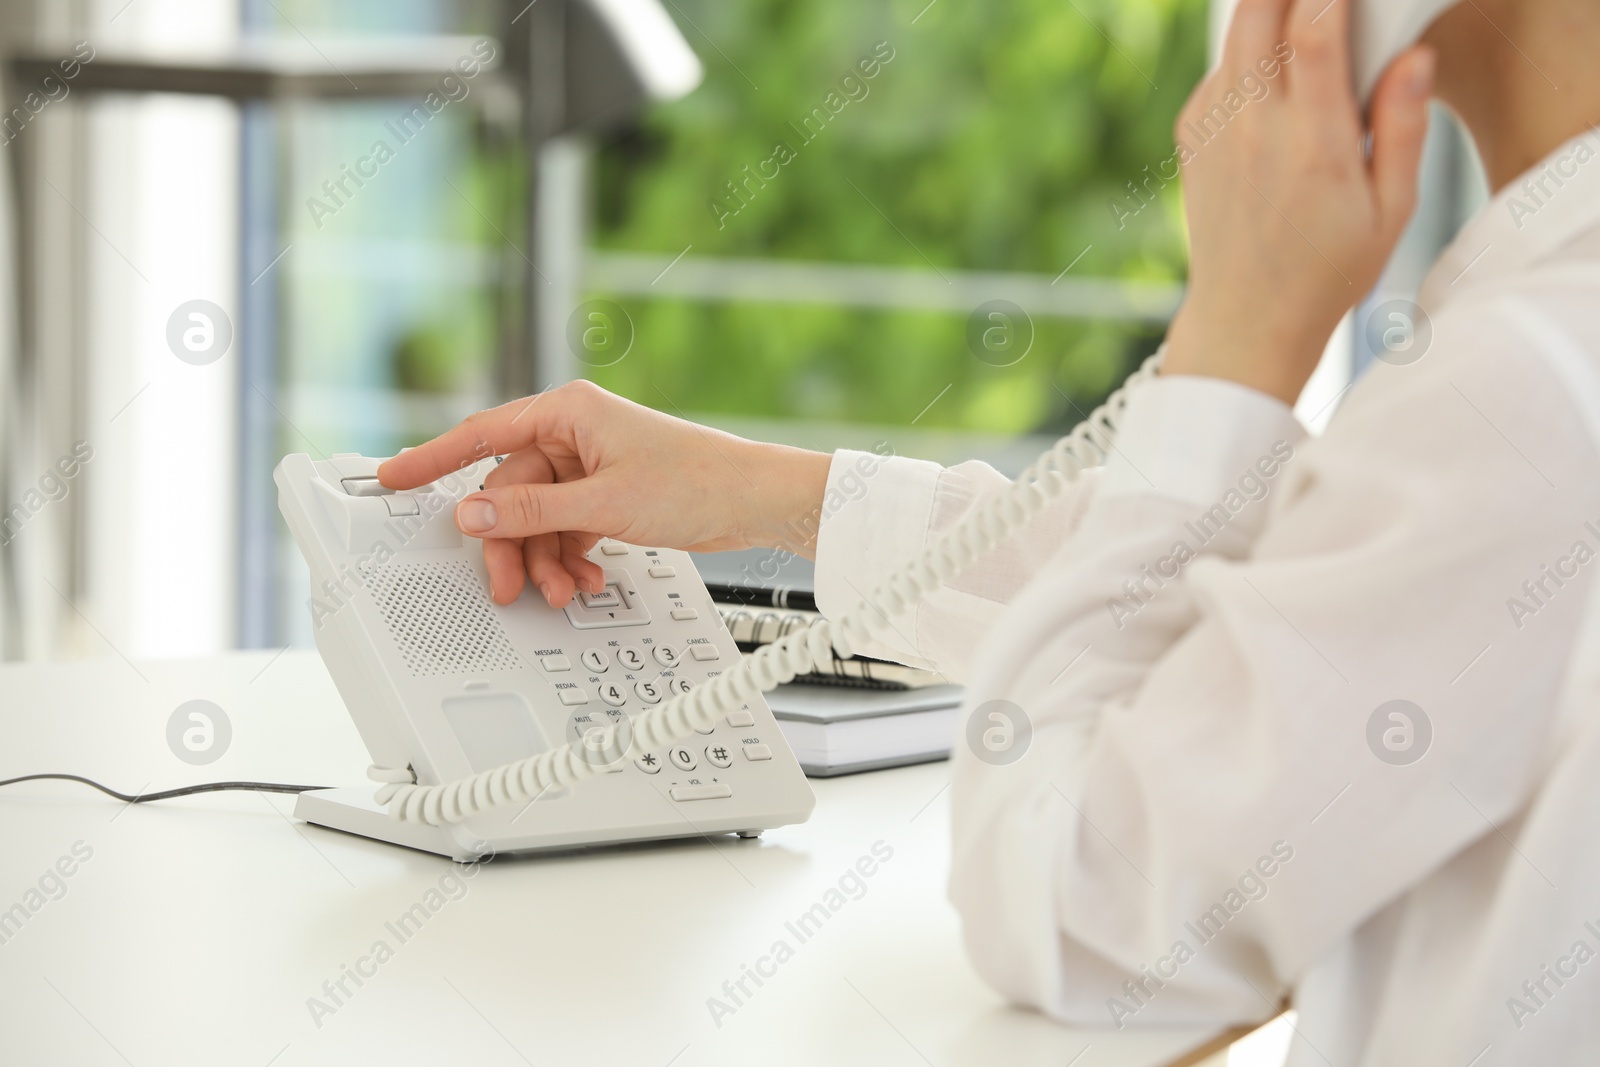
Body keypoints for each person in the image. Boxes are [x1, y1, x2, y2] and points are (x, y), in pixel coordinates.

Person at [380, 0, 1600, 1060]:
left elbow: (1075, 907)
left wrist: (1235, 340)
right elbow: (1299, 594)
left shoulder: (1527, 384)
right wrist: (767, 494)